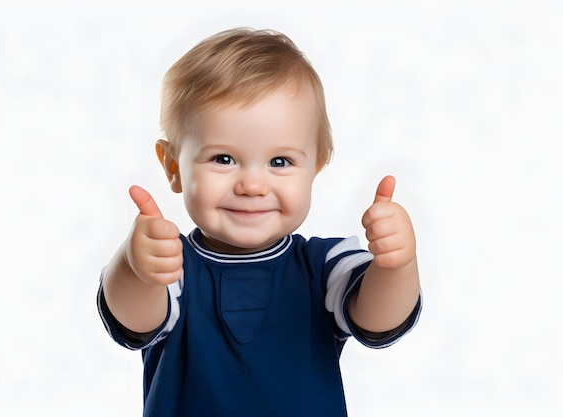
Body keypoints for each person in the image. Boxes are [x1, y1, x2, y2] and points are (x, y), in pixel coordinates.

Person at [97, 27, 422, 417]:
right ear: (173, 167)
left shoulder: (324, 265)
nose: (252, 185)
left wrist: (397, 266)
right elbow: (133, 319)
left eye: (280, 162)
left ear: (314, 168)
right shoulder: (174, 266)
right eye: (223, 159)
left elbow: (378, 320)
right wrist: (136, 269)